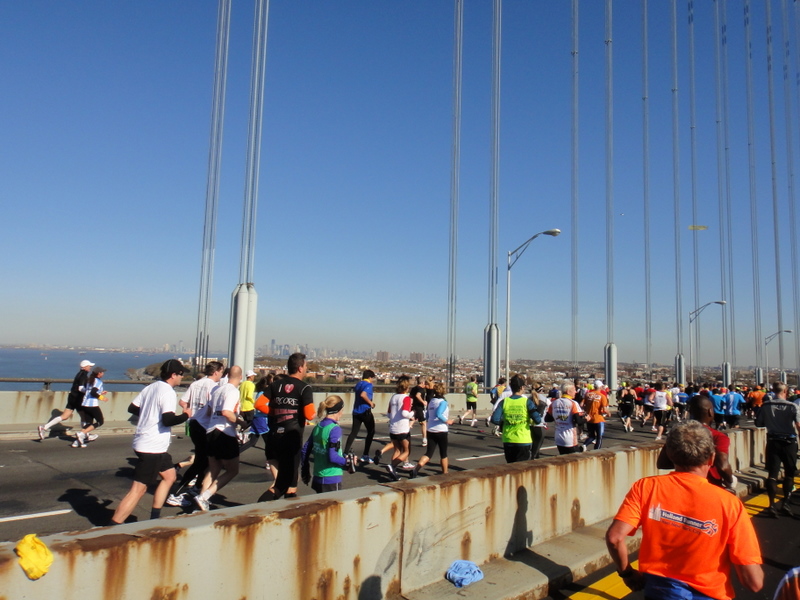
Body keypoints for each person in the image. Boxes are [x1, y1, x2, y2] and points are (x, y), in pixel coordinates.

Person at [605, 420, 763, 600]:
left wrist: (627, 574)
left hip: (659, 591)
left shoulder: (646, 487)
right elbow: (754, 582)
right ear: (711, 459)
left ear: (670, 455)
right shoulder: (730, 504)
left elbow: (615, 537)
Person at [110, 359, 191, 524]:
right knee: (138, 490)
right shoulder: (168, 392)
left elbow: (132, 408)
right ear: (174, 375)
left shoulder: (151, 387)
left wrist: (149, 413)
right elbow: (168, 420)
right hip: (151, 447)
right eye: (181, 374)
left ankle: (154, 518)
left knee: (170, 476)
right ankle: (111, 527)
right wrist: (186, 415)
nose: (182, 378)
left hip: (151, 444)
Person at [256, 353, 315, 501]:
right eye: (306, 366)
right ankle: (258, 510)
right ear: (300, 368)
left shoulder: (276, 385)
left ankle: (288, 512)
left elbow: (258, 404)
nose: (306, 369)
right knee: (283, 483)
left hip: (274, 436)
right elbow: (309, 414)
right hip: (291, 438)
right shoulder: (304, 388)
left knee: (290, 481)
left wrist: (276, 412)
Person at [165, 360, 224, 507]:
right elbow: (212, 409)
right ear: (216, 372)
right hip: (205, 426)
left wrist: (190, 411)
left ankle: (196, 487)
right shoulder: (215, 388)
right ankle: (176, 494)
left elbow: (182, 402)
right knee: (201, 462)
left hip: (194, 424)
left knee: (204, 461)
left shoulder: (196, 384)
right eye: (221, 372)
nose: (222, 375)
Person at [657, 395, 735, 491]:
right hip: (710, 488)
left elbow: (662, 463)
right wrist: (731, 481)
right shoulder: (718, 437)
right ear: (710, 412)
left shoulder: (678, 433)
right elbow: (723, 466)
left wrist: (686, 463)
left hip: (680, 487)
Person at [194, 366, 244, 512]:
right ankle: (204, 497)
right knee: (232, 470)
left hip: (210, 431)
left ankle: (202, 501)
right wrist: (241, 422)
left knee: (213, 469)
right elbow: (227, 412)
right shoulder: (233, 391)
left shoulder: (217, 390)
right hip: (224, 433)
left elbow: (209, 411)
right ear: (240, 377)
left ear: (227, 375)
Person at [755, 382, 800, 518]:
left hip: (773, 441)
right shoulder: (793, 406)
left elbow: (759, 423)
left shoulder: (766, 406)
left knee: (772, 474)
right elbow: (798, 425)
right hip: (789, 442)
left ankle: (771, 505)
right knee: (789, 473)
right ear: (785, 391)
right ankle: (785, 503)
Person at [301, 395, 349, 493]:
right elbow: (333, 457)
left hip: (318, 477)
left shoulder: (318, 426)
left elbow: (305, 450)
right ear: (339, 410)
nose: (342, 413)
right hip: (331, 478)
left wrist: (305, 470)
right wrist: (348, 462)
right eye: (342, 410)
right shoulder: (334, 429)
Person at [39, 359, 94, 440]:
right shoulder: (84, 375)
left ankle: (44, 427)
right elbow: (81, 388)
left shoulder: (78, 374)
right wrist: (89, 392)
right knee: (84, 417)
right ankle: (85, 435)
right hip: (78, 399)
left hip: (72, 398)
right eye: (89, 366)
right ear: (85, 367)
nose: (90, 367)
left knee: (65, 416)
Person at [490, 375, 540, 463]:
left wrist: (504, 423)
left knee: (511, 467)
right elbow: (538, 420)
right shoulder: (526, 402)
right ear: (521, 387)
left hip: (508, 439)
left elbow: (494, 419)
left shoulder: (504, 402)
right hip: (523, 439)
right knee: (523, 469)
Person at [410, 381, 453, 477]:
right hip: (441, 430)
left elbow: (428, 415)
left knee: (429, 453)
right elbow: (439, 414)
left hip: (431, 430)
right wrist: (447, 421)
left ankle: (416, 469)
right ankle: (445, 473)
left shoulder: (431, 402)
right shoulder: (443, 402)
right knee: (443, 454)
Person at [344, 369, 378, 463]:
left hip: (356, 411)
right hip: (365, 411)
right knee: (371, 432)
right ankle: (365, 455)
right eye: (372, 378)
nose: (373, 380)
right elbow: (363, 395)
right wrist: (371, 403)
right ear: (370, 377)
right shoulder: (368, 385)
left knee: (353, 432)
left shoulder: (358, 384)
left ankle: (345, 453)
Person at [384, 375, 414, 481]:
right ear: (407, 388)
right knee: (406, 451)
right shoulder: (406, 398)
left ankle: (393, 471)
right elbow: (405, 413)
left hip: (393, 428)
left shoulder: (393, 397)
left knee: (397, 450)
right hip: (402, 428)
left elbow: (388, 413)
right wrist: (413, 414)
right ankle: (392, 466)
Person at [72, 366, 107, 448]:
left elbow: (87, 391)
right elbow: (93, 392)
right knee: (100, 422)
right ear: (99, 374)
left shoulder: (89, 380)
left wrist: (101, 393)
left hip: (85, 404)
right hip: (92, 405)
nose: (103, 373)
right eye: (102, 372)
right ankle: (81, 434)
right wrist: (102, 398)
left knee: (88, 424)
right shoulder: (98, 381)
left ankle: (76, 442)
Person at [547, 382, 585, 454]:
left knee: (563, 460)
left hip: (558, 437)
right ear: (568, 391)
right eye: (574, 390)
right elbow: (578, 421)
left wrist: (559, 416)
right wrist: (586, 419)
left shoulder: (554, 403)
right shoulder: (573, 403)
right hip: (569, 438)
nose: (575, 392)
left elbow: (547, 419)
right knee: (574, 461)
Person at [582, 379, 610, 450]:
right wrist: (608, 413)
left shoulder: (588, 394)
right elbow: (604, 409)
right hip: (598, 418)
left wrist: (586, 410)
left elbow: (581, 404)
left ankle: (584, 445)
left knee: (591, 436)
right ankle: (597, 451)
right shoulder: (602, 396)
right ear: (600, 387)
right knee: (599, 437)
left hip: (589, 418)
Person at [238, 369, 257, 444]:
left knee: (244, 422)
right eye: (253, 376)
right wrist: (254, 402)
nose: (254, 377)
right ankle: (245, 436)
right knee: (250, 422)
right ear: (251, 376)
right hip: (248, 406)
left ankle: (241, 435)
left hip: (242, 406)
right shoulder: (251, 384)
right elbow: (249, 396)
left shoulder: (242, 384)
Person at [410, 377, 428, 447]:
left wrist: (410, 406)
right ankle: (424, 439)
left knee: (411, 422)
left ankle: (402, 436)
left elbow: (411, 397)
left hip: (413, 407)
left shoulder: (413, 389)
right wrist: (423, 402)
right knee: (423, 423)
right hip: (419, 407)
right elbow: (418, 395)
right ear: (422, 382)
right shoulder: (421, 389)